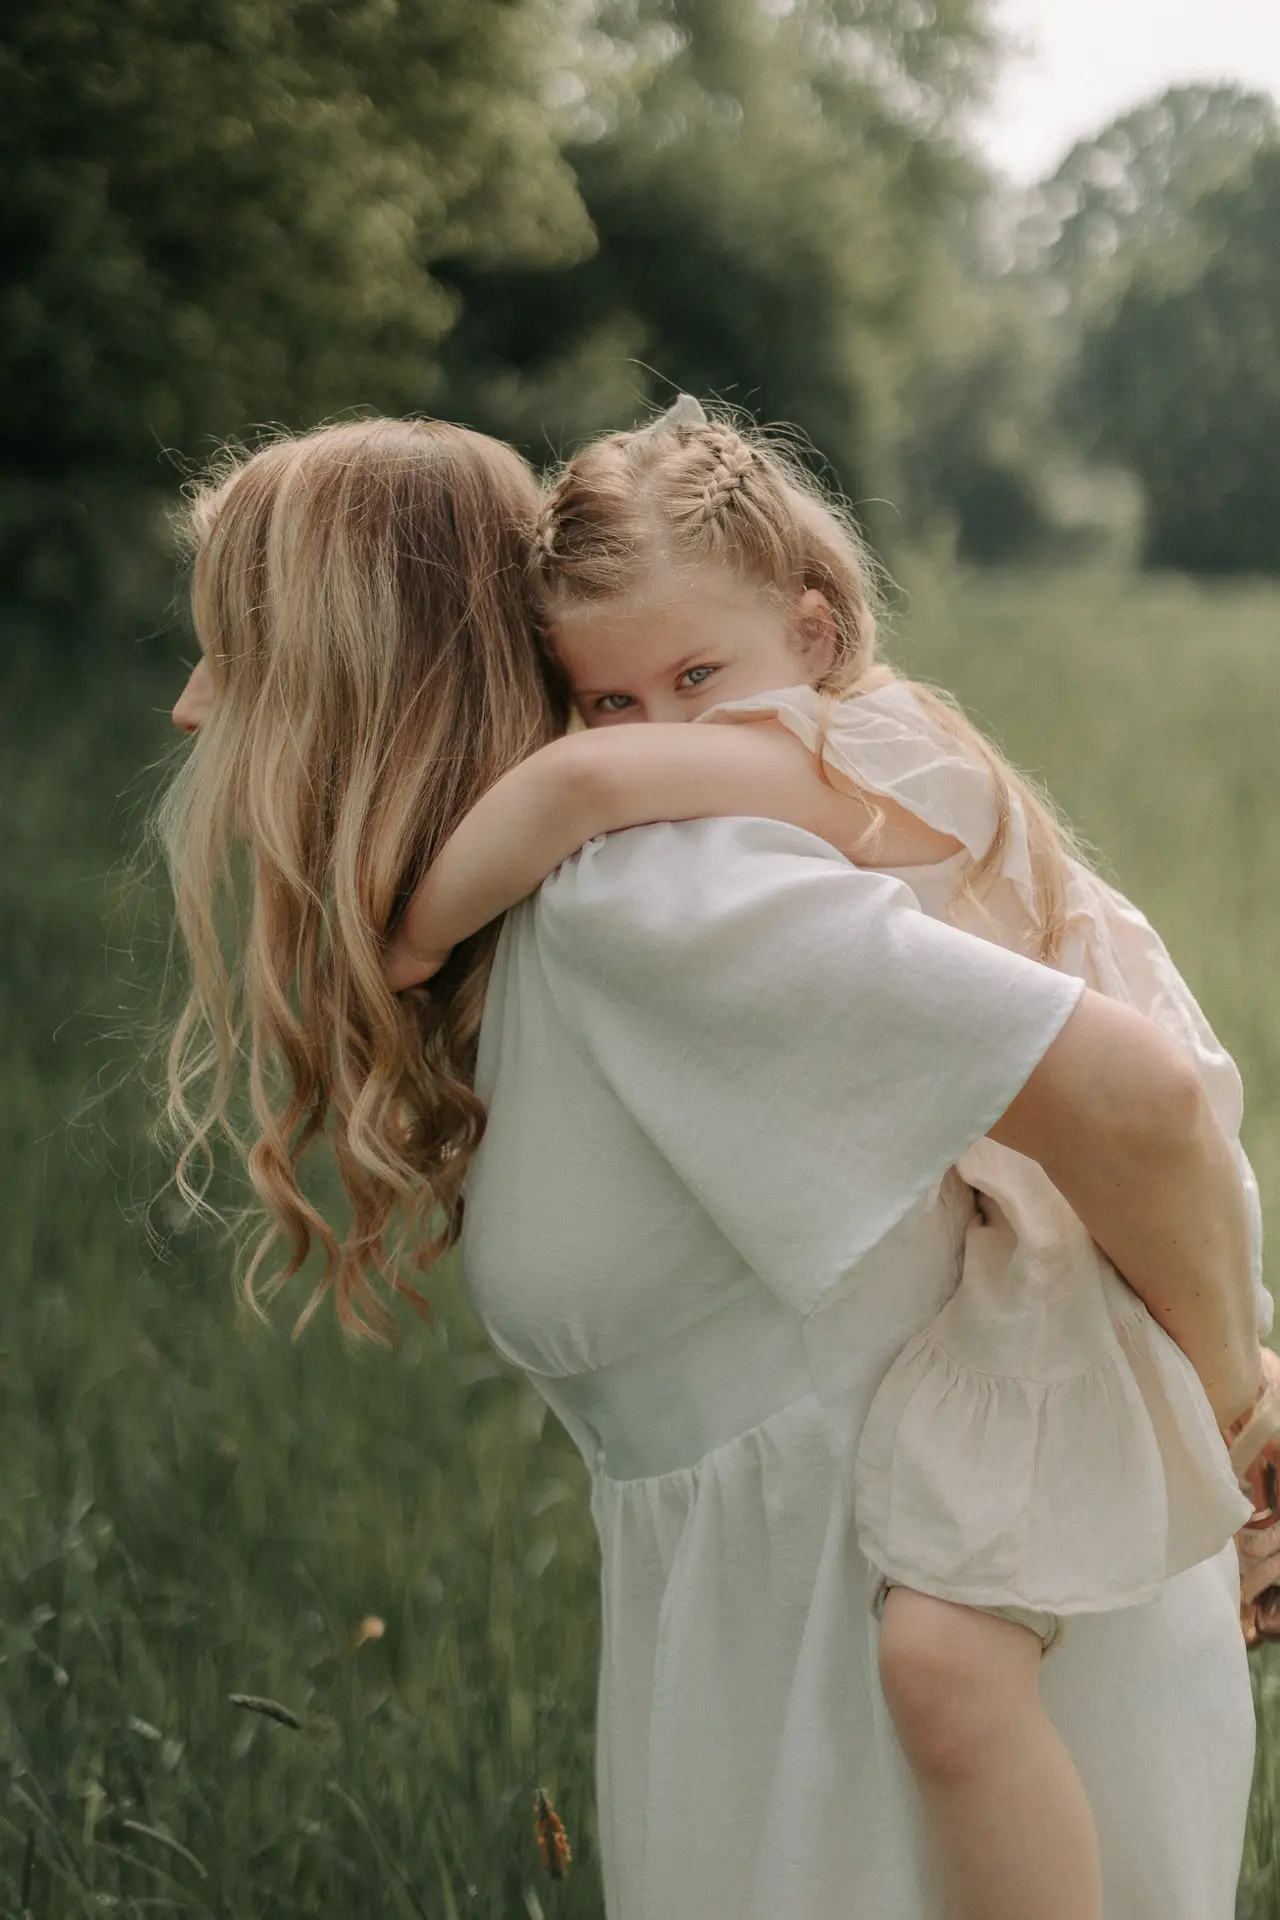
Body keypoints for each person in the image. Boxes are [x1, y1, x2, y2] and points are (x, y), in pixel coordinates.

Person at [168, 414, 1266, 1920]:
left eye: (224, 647)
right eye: (614, 694)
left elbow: (1137, 1105)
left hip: (925, 1717)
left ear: (341, 675)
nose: (184, 709)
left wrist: (1235, 1418)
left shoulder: (659, 892)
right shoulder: (580, 908)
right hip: (784, 1692)